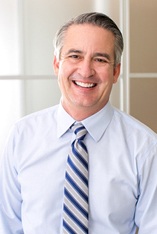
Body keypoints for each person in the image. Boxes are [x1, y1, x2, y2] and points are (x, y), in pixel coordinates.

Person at [0, 12, 157, 234]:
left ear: (115, 72)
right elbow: (7, 226)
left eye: (100, 59)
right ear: (56, 64)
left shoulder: (146, 148)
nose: (85, 71)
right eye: (75, 56)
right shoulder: (21, 136)